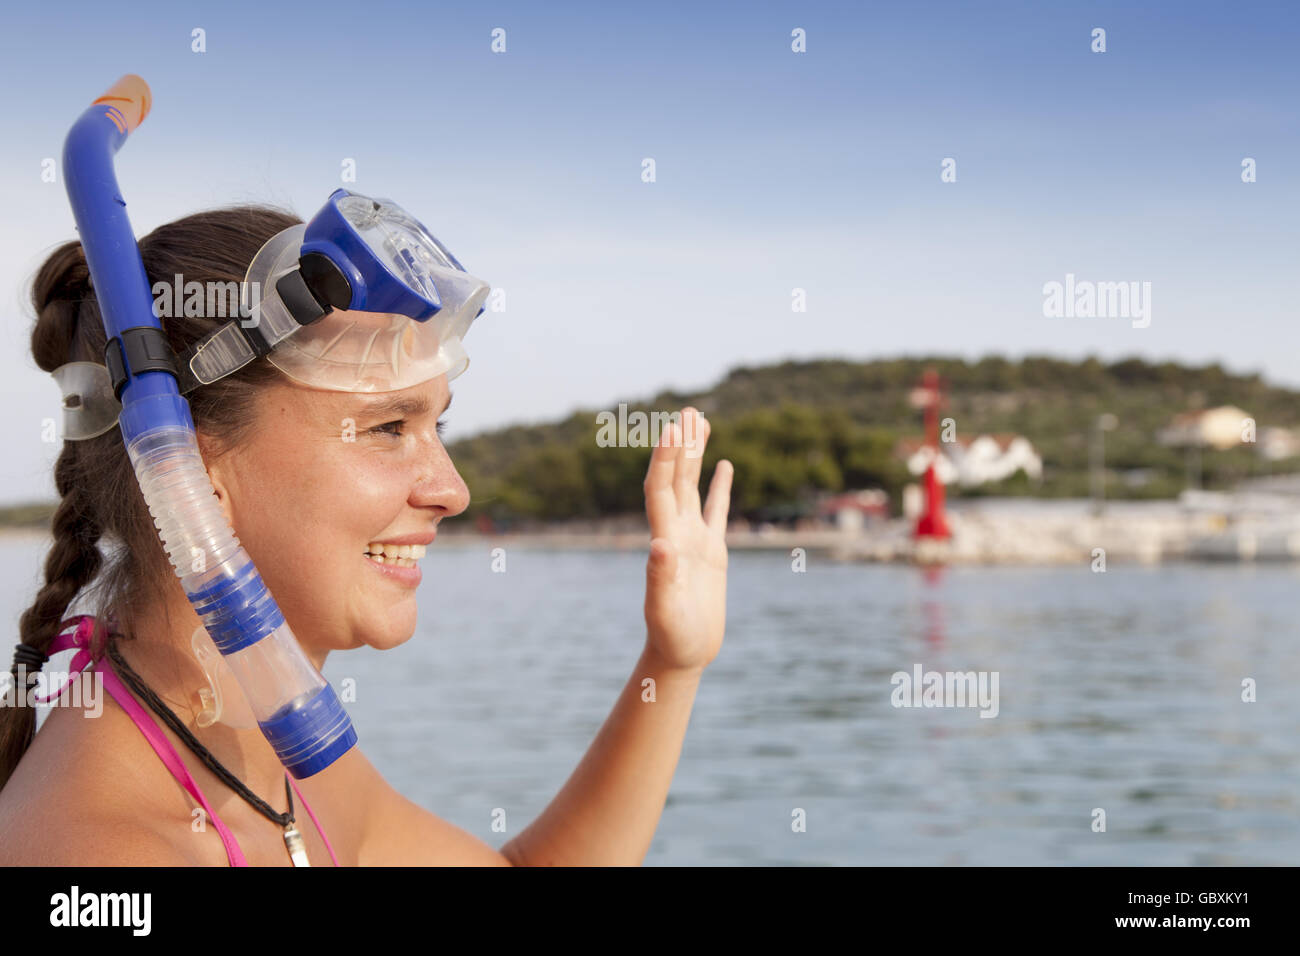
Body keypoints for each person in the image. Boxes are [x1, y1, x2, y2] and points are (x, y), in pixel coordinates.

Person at [0, 203, 733, 865]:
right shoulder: (98, 857)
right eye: (388, 427)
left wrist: (670, 665)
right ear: (186, 470)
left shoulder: (271, 748)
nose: (452, 491)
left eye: (435, 425)